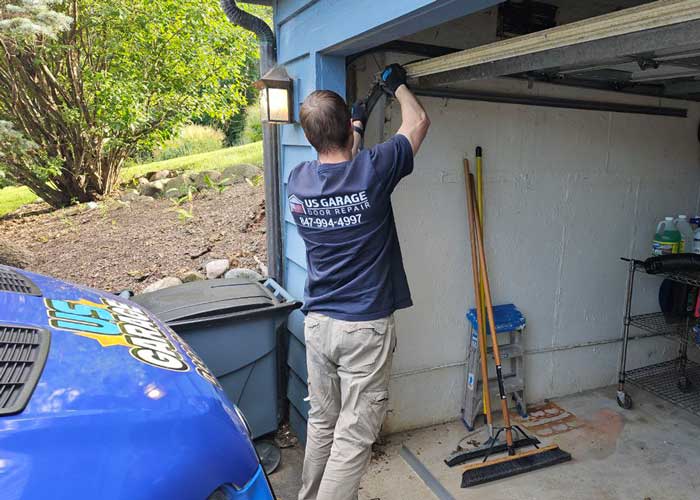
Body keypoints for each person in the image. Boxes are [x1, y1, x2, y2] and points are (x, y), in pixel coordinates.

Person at [287, 63, 430, 500]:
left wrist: (352, 133)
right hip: (364, 329)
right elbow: (418, 121)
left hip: (320, 327)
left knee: (324, 424)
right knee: (353, 436)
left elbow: (342, 178)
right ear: (347, 134)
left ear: (311, 138)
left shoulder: (298, 181)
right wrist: (397, 85)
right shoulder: (373, 170)